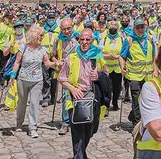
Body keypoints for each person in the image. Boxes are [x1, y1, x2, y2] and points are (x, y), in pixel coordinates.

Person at [60, 28, 106, 159]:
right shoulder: (71, 57)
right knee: (77, 133)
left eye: (88, 39)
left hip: (93, 99)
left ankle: (81, 154)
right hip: (76, 100)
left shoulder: (98, 56)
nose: (85, 42)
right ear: (79, 40)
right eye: (82, 39)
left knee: (90, 131)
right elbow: (61, 78)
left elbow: (105, 74)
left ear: (92, 40)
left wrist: (99, 75)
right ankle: (79, 156)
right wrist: (73, 89)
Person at [10, 25, 56, 138]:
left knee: (34, 104)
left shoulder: (43, 50)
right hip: (23, 79)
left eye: (42, 35)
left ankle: (33, 127)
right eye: (40, 35)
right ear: (34, 35)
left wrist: (57, 63)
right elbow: (17, 62)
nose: (42, 37)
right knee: (21, 103)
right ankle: (19, 124)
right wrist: (12, 75)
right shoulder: (23, 48)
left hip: (37, 80)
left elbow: (47, 63)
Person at [122, 18, 157, 125]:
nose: (140, 30)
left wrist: (156, 69)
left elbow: (154, 55)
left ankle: (133, 116)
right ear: (134, 28)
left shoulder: (150, 39)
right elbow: (122, 56)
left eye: (142, 27)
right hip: (134, 76)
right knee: (136, 99)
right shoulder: (129, 40)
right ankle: (137, 123)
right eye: (138, 27)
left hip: (148, 76)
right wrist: (122, 67)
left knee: (145, 99)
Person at [53, 17, 78, 134]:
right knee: (65, 97)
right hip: (64, 72)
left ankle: (77, 119)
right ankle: (65, 122)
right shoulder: (57, 40)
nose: (67, 31)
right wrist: (57, 61)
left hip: (77, 71)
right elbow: (52, 55)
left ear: (72, 27)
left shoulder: (78, 38)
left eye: (68, 28)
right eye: (64, 29)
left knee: (77, 95)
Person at [102, 18, 125, 111]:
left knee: (117, 87)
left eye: (115, 24)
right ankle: (106, 105)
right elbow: (99, 52)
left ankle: (115, 102)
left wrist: (118, 57)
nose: (113, 26)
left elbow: (124, 52)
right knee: (107, 88)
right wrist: (107, 56)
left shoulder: (122, 38)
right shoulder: (104, 38)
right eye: (111, 24)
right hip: (107, 68)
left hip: (117, 68)